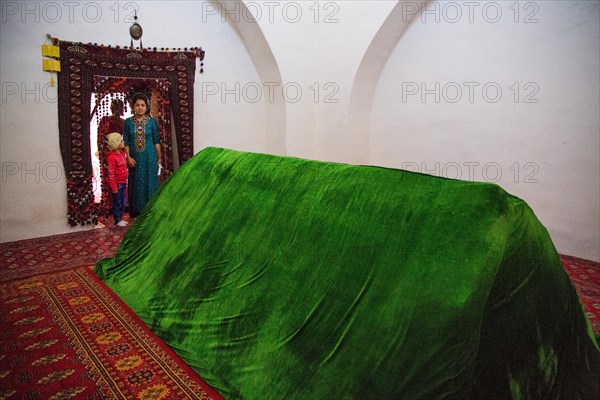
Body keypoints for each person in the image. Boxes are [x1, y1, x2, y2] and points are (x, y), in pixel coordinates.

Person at [123, 92, 162, 218]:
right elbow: (126, 141)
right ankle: (137, 211)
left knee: (150, 181)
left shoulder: (151, 122)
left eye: (143, 105)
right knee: (136, 182)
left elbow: (156, 140)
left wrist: (159, 157)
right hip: (135, 158)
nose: (140, 107)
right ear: (133, 107)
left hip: (150, 157)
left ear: (147, 107)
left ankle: (150, 210)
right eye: (137, 105)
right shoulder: (128, 122)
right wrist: (128, 157)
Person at [97, 98, 125, 216]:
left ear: (111, 108)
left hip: (108, 154)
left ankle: (110, 206)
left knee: (110, 178)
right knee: (118, 179)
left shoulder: (105, 120)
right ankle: (117, 209)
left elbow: (100, 139)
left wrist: (102, 152)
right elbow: (124, 141)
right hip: (118, 154)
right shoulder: (122, 122)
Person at [105, 132, 129, 227]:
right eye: (121, 141)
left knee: (123, 202)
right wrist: (114, 187)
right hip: (117, 184)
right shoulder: (111, 157)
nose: (123, 142)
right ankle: (117, 219)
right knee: (117, 202)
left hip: (123, 183)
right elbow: (111, 174)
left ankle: (121, 218)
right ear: (116, 143)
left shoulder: (123, 154)